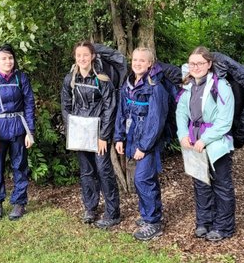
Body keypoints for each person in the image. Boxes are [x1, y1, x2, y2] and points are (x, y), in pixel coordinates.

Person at [175, 46, 236, 242]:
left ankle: (224, 226)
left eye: (200, 63)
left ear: (209, 64)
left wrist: (205, 140)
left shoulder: (221, 87)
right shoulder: (188, 86)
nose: (196, 67)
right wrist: (183, 134)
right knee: (200, 183)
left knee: (221, 185)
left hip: (216, 145)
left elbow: (225, 121)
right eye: (192, 63)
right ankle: (204, 222)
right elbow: (181, 112)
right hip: (193, 143)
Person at [60, 41, 121, 228]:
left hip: (98, 133)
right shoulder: (70, 79)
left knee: (104, 170)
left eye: (85, 55)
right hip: (80, 133)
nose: (82, 59)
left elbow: (110, 108)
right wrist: (73, 131)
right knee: (86, 171)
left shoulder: (102, 80)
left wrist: (103, 136)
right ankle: (90, 208)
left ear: (92, 56)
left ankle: (113, 212)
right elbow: (66, 106)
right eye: (78, 56)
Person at [114, 47, 169, 241]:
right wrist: (119, 137)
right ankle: (149, 214)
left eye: (141, 61)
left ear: (150, 64)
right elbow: (122, 112)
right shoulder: (129, 83)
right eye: (134, 60)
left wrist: (144, 146)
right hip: (131, 138)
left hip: (148, 142)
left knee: (143, 179)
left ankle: (153, 222)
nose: (137, 63)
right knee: (144, 180)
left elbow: (156, 121)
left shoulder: (156, 87)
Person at [0, 44, 36, 221]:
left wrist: (30, 132)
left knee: (20, 166)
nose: (8, 61)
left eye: (10, 58)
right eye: (3, 58)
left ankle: (19, 202)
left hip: (18, 128)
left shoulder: (21, 78)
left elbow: (29, 105)